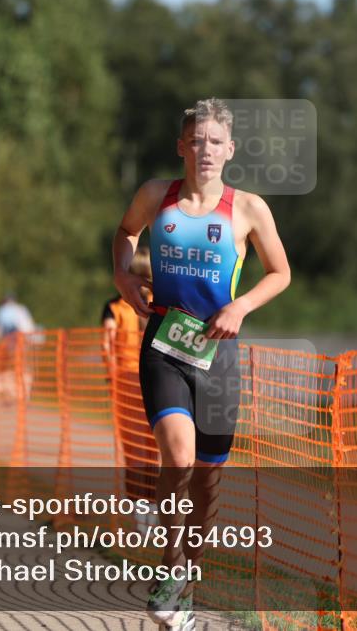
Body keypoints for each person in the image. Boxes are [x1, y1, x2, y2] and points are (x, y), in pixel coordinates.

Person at [112, 98, 291, 629]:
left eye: (215, 142)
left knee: (207, 485)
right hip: (164, 344)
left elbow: (280, 273)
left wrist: (239, 307)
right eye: (196, 140)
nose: (205, 150)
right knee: (179, 458)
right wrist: (124, 277)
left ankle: (190, 577)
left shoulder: (249, 209)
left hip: (219, 355)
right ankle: (169, 573)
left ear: (230, 150)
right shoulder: (154, 197)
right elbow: (125, 235)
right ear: (181, 147)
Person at [101, 246, 157, 525]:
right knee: (157, 446)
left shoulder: (114, 307)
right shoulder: (162, 304)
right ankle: (155, 506)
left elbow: (106, 345)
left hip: (125, 382)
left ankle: (138, 509)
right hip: (158, 379)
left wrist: (110, 377)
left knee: (133, 447)